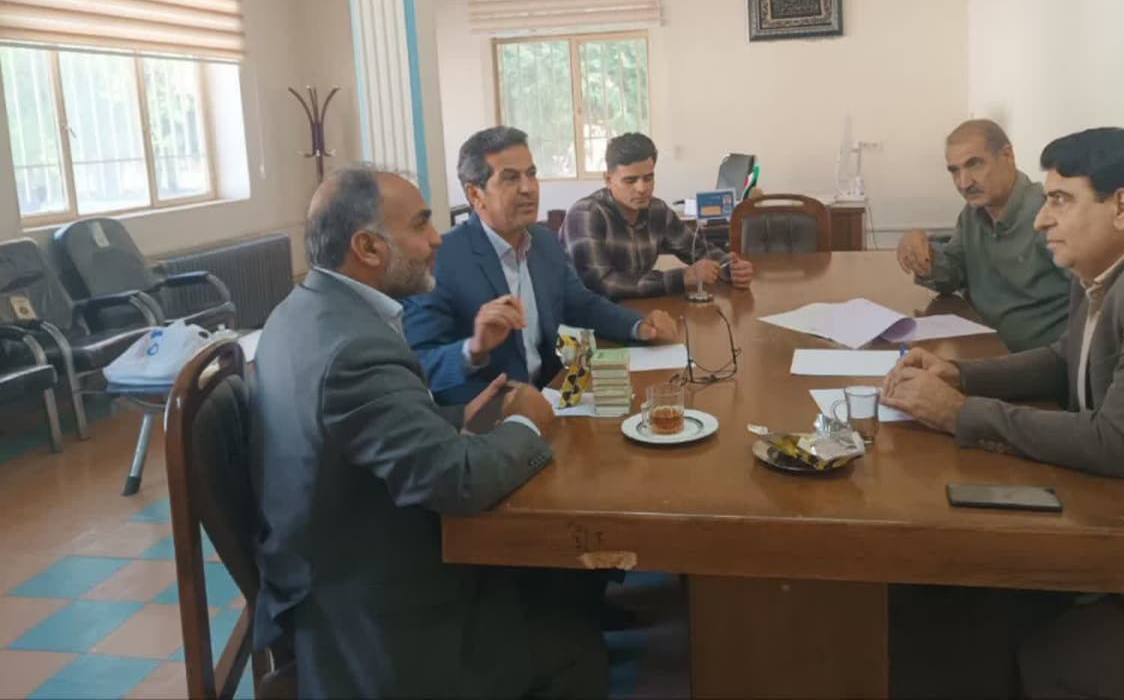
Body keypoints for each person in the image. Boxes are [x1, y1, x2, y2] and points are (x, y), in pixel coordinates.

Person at [883, 128, 1124, 698]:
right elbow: (1063, 359)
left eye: (1061, 200)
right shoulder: (1113, 267)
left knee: (1052, 665)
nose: (1042, 220)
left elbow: (1118, 442)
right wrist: (960, 375)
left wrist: (959, 413)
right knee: (972, 611)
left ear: (1122, 206)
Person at [251, 165, 607, 698]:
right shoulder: (353, 350)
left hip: (337, 561)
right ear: (368, 247)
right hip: (377, 610)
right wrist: (525, 422)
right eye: (420, 225)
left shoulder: (302, 311)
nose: (438, 238)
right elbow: (457, 481)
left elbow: (363, 431)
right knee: (579, 648)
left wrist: (460, 418)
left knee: (560, 586)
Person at [404, 126, 680, 406]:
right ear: (475, 194)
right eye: (510, 178)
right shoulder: (441, 259)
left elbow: (581, 305)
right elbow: (418, 365)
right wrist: (472, 349)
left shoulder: (543, 242)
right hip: (490, 414)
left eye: (531, 174)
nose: (528, 188)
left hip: (553, 396)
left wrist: (639, 326)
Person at [896, 119, 1070, 351]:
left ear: (1007, 156)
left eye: (975, 164)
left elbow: (1093, 307)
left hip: (1034, 361)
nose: (964, 183)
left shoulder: (1050, 215)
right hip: (980, 348)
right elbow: (953, 273)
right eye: (954, 171)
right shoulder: (972, 214)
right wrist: (923, 254)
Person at [560, 131, 754, 299]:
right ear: (608, 179)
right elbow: (602, 285)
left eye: (648, 178)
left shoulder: (657, 210)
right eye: (630, 180)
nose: (642, 188)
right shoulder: (585, 215)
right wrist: (684, 277)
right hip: (586, 321)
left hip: (639, 311)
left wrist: (730, 268)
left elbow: (699, 250)